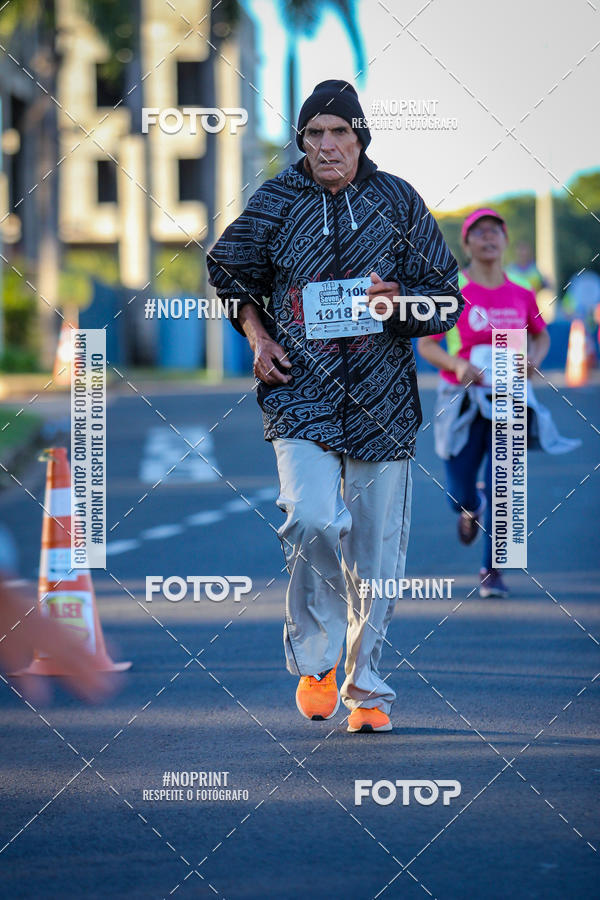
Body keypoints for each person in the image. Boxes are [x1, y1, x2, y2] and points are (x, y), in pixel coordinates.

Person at [208, 79, 462, 733]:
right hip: (299, 395)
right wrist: (257, 335)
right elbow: (229, 269)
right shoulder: (276, 201)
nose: (326, 146)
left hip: (382, 404)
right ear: (302, 142)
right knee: (312, 518)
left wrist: (397, 302)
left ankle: (365, 688)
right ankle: (317, 658)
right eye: (313, 134)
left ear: (359, 138)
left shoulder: (397, 200)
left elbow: (445, 298)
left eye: (338, 133)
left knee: (377, 559)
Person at [418, 208, 579, 599]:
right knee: (459, 490)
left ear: (506, 242)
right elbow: (426, 345)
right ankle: (470, 507)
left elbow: (539, 337)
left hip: (508, 394)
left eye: (496, 232)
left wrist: (535, 359)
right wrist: (458, 363)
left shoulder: (522, 293)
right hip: (460, 397)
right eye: (480, 232)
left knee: (505, 484)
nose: (488, 238)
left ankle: (493, 571)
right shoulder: (450, 291)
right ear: (467, 243)